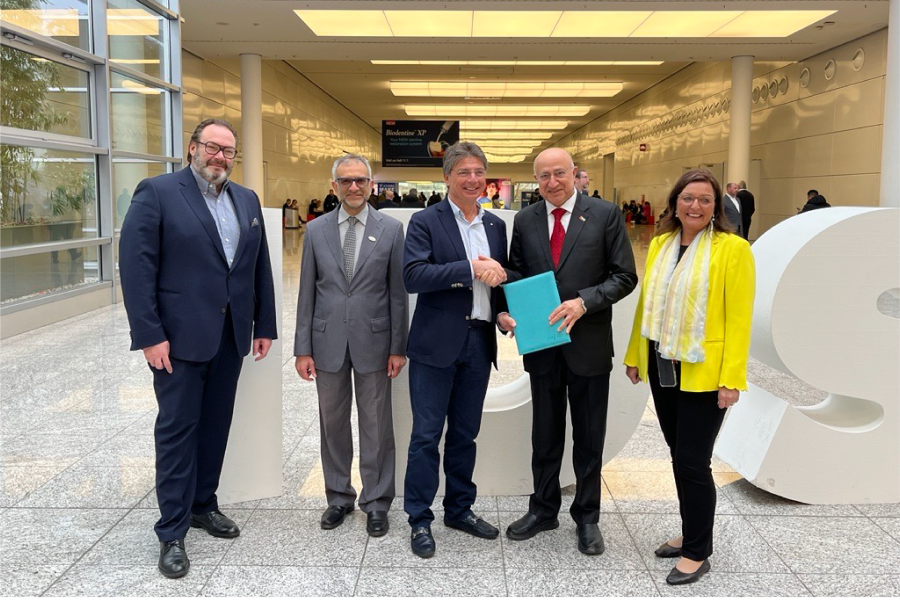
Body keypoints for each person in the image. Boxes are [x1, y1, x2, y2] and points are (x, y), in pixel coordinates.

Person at [119, 118, 277, 579]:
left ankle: (203, 504)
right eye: (212, 147)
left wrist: (261, 324)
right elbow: (137, 266)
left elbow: (257, 268)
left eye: (228, 151)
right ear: (192, 148)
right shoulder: (158, 192)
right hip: (177, 341)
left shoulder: (245, 199)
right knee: (176, 432)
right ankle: (171, 530)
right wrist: (149, 335)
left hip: (230, 338)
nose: (220, 157)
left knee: (215, 427)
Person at [499, 148, 637, 556]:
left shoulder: (605, 214)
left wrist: (584, 302)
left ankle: (588, 518)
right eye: (543, 176)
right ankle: (543, 510)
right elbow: (518, 273)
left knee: (589, 436)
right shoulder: (524, 220)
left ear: (575, 174)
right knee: (544, 433)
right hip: (544, 346)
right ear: (536, 181)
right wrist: (505, 304)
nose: (552, 182)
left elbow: (624, 276)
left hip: (588, 343)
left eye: (560, 173)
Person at [624, 169, 755, 586]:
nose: (694, 206)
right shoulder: (662, 244)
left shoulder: (733, 250)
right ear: (674, 203)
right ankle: (691, 530)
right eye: (687, 198)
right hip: (663, 367)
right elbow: (647, 306)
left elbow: (739, 320)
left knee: (693, 462)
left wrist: (731, 378)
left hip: (704, 372)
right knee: (678, 455)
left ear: (717, 207)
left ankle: (698, 551)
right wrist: (634, 357)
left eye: (704, 200)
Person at [403, 141, 511, 559]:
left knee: (466, 434)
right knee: (426, 436)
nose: (473, 180)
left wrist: (501, 311)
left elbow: (498, 279)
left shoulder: (496, 225)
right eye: (464, 172)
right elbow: (414, 276)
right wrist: (469, 267)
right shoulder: (424, 221)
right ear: (447, 177)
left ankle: (459, 509)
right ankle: (419, 518)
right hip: (435, 344)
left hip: (479, 341)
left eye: (479, 172)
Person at [295, 154, 408, 538]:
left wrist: (398, 346)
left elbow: (397, 294)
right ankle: (338, 497)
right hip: (326, 343)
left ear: (371, 185)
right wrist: (302, 348)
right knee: (332, 425)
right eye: (346, 181)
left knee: (377, 425)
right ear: (334, 186)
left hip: (375, 343)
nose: (354, 187)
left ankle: (377, 502)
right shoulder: (316, 230)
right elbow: (306, 292)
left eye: (360, 180)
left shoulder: (391, 230)